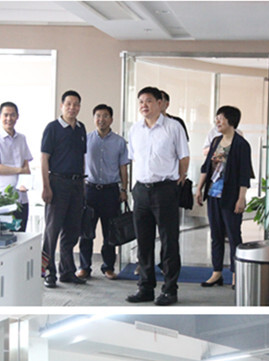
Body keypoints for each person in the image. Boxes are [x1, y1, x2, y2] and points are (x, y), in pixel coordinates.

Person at [126, 86, 189, 306]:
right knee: (143, 242)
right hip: (141, 190)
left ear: (160, 103)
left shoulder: (173, 127)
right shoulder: (135, 129)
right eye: (141, 101)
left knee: (169, 241)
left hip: (165, 189)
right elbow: (134, 158)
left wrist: (179, 179)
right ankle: (145, 288)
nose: (144, 105)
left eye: (149, 101)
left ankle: (170, 290)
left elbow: (184, 157)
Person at [195, 105, 254, 289]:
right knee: (216, 234)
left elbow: (244, 174)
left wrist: (241, 198)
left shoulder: (241, 145)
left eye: (220, 118)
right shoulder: (216, 141)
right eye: (217, 118)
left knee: (234, 235)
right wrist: (199, 189)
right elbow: (207, 167)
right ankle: (217, 272)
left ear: (231, 121)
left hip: (231, 196)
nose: (217, 121)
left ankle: (236, 273)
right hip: (213, 194)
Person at [76, 104, 129, 280]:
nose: (101, 119)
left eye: (105, 116)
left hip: (110, 192)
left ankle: (108, 267)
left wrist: (124, 189)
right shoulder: (86, 139)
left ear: (111, 119)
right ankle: (84, 267)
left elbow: (123, 168)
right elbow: (80, 164)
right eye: (98, 116)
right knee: (86, 232)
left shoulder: (119, 142)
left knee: (110, 233)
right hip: (89, 190)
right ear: (94, 119)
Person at [41, 90, 88, 288]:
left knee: (72, 230)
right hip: (57, 183)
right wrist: (46, 187)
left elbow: (82, 158)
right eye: (68, 104)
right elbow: (44, 158)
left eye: (76, 104)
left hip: (77, 185)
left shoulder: (81, 129)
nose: (72, 108)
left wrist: (83, 187)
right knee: (52, 231)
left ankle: (67, 271)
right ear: (62, 106)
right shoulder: (52, 128)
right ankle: (48, 272)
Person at [0, 101, 33, 231]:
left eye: (12, 115)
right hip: (2, 199)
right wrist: (19, 170)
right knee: (4, 235)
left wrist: (27, 183)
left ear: (17, 116)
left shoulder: (22, 138)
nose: (9, 118)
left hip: (21, 198)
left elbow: (26, 166)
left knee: (22, 234)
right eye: (5, 115)